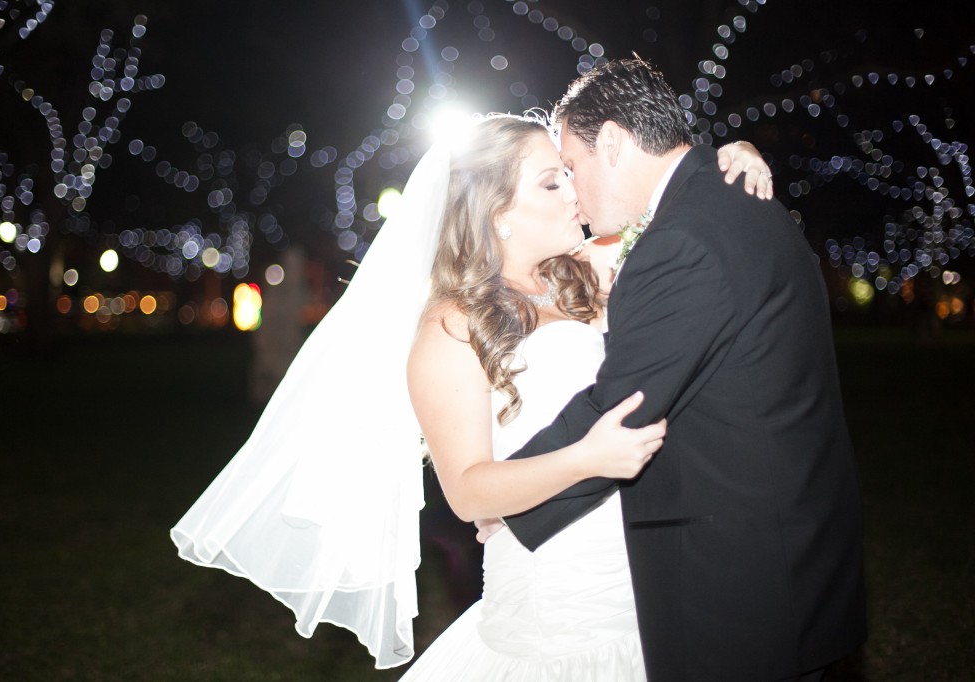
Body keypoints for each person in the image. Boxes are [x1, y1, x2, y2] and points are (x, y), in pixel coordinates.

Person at [170, 113, 771, 674]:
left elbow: (675, 208)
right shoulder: (452, 327)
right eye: (552, 183)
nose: (575, 191)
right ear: (497, 212)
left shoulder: (588, 271)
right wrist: (586, 459)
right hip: (556, 602)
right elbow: (466, 491)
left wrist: (730, 161)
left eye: (568, 175)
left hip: (650, 579)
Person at [503, 58, 867, 682]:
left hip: (743, 595)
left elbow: (621, 413)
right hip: (792, 564)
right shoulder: (727, 197)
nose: (573, 190)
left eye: (572, 166)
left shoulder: (683, 239)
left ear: (612, 142)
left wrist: (507, 500)